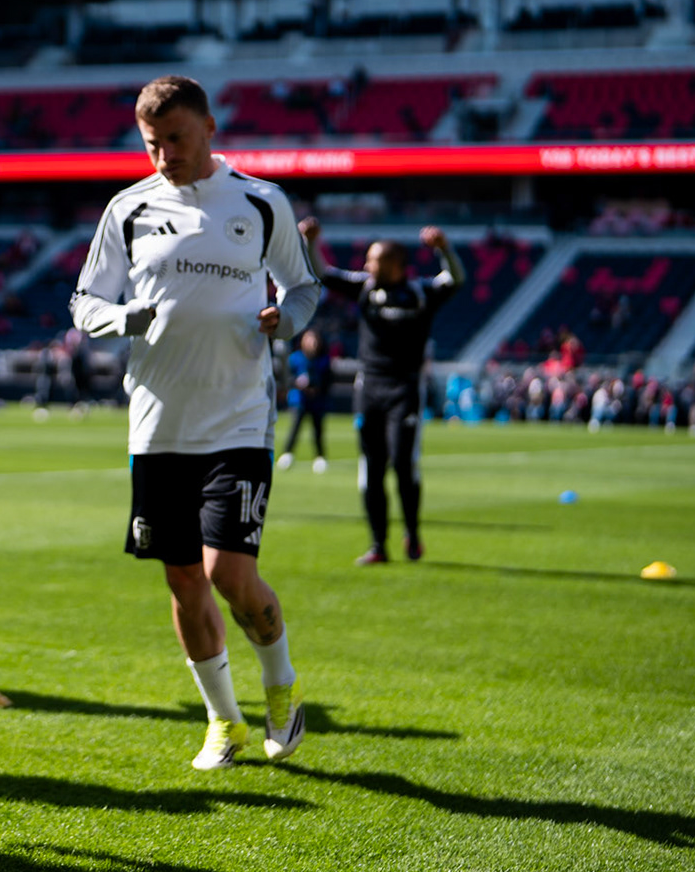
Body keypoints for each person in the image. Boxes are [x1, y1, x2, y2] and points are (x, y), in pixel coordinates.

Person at [71, 74, 319, 771]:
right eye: (152, 144)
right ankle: (223, 721)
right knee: (183, 580)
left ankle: (281, 686)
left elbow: (303, 287)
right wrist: (123, 318)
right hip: (156, 425)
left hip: (238, 417)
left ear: (210, 127)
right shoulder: (128, 208)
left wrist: (284, 320)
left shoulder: (261, 201)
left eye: (176, 139)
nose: (165, 156)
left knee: (230, 574)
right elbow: (86, 302)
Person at [300, 220, 463, 565]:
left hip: (405, 388)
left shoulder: (420, 292)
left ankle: (412, 534)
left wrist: (444, 249)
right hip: (369, 388)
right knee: (372, 467)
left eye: (373, 260)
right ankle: (378, 545)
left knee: (403, 464)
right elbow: (324, 273)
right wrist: (312, 242)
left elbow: (455, 279)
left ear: (394, 264)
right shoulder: (365, 286)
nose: (366, 265)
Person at [278, 330, 334, 474]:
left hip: (317, 401)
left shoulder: (323, 360)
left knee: (318, 429)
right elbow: (288, 378)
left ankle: (320, 456)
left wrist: (317, 389)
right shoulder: (295, 358)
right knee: (295, 427)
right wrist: (298, 385)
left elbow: (328, 381)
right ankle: (287, 453)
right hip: (300, 399)